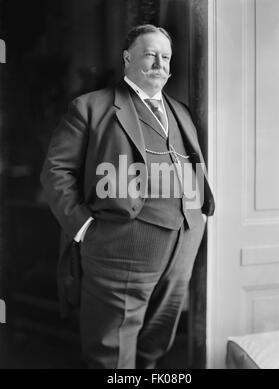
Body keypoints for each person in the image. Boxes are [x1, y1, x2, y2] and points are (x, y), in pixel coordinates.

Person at [40, 24, 215, 369]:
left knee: (156, 342)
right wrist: (84, 227)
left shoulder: (180, 111)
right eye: (150, 54)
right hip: (120, 249)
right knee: (112, 352)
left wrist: (200, 216)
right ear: (127, 58)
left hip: (182, 245)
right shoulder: (91, 107)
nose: (160, 64)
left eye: (166, 57)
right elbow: (55, 172)